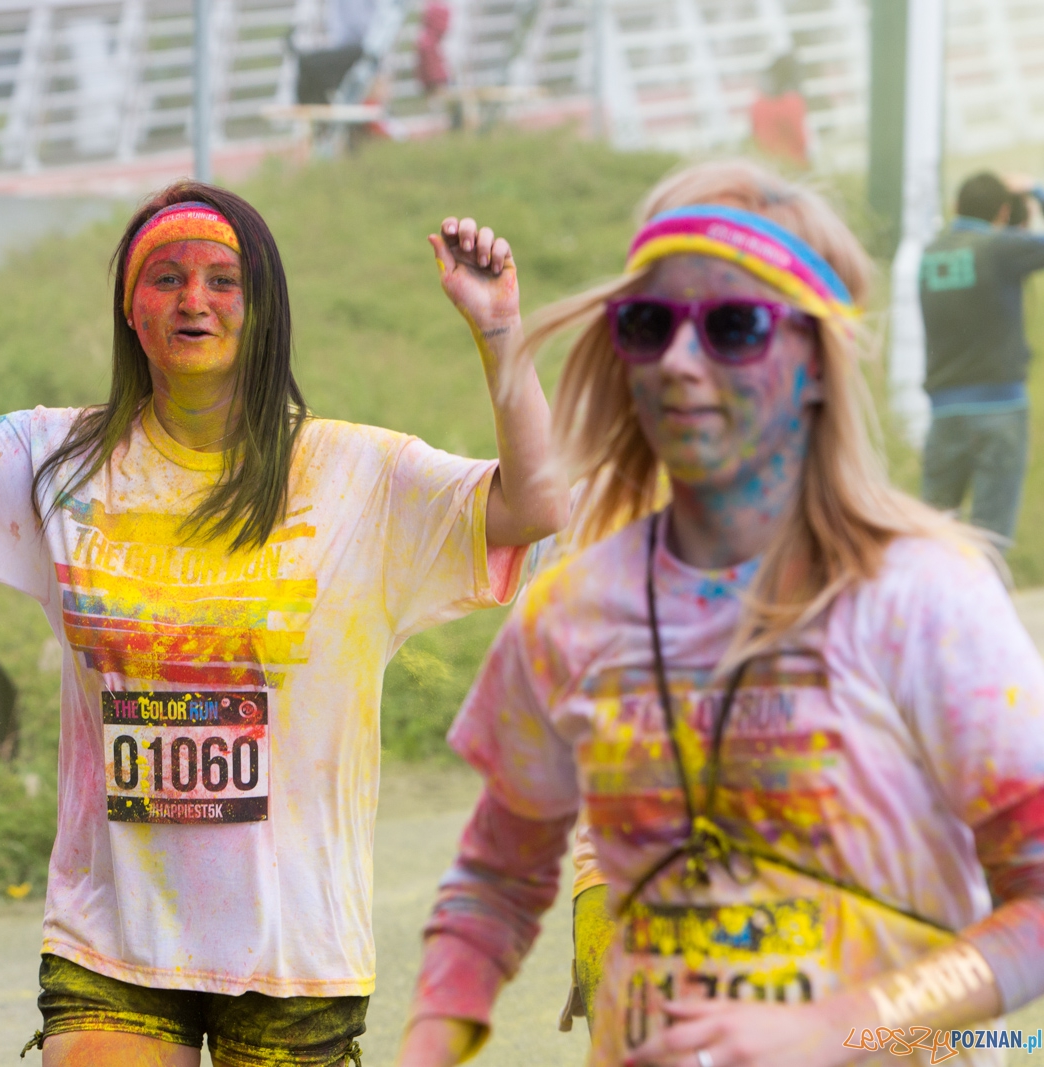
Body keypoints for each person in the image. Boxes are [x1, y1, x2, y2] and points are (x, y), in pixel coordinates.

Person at [0, 182, 567, 1066]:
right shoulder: (58, 461)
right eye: (164, 278)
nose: (193, 299)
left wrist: (500, 331)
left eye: (222, 279)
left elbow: (534, 504)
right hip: (112, 936)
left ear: (263, 308)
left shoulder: (358, 476)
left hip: (295, 952)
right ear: (131, 310)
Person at [397, 158, 1044, 1067]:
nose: (680, 362)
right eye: (650, 323)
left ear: (816, 359)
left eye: (735, 326)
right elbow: (494, 883)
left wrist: (840, 1025)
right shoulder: (580, 602)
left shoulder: (927, 595)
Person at [919, 170, 1044, 546]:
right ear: (1004, 213)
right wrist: (1036, 190)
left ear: (956, 206)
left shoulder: (930, 255)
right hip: (1001, 407)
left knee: (935, 536)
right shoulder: (1001, 247)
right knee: (989, 538)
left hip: (944, 413)